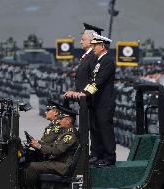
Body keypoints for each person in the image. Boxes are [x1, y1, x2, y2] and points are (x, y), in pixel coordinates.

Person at [75, 33, 116, 167]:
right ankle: (98, 155)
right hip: (97, 101)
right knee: (96, 129)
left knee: (105, 129)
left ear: (102, 46)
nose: (93, 48)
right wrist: (84, 92)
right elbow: (92, 80)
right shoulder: (99, 61)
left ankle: (109, 157)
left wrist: (85, 93)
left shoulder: (108, 61)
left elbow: (99, 81)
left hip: (105, 102)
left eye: (95, 45)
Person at [24, 107, 79, 188]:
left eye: (61, 119)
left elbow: (57, 151)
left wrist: (39, 146)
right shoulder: (65, 132)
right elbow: (52, 146)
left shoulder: (70, 135)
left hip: (62, 166)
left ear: (68, 121)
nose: (59, 121)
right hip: (58, 162)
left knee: (32, 167)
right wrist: (38, 144)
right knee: (33, 163)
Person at [64, 23, 103, 97]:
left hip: (91, 101)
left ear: (92, 41)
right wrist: (73, 91)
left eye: (83, 40)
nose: (80, 42)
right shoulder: (87, 56)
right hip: (83, 99)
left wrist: (83, 93)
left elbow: (96, 81)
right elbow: (82, 80)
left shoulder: (94, 57)